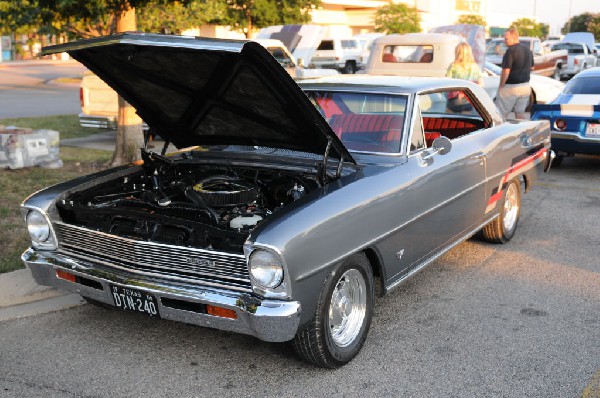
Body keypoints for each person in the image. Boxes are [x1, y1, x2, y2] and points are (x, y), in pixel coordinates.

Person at [495, 27, 534, 119]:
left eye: (506, 39)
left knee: (501, 113)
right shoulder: (528, 50)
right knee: (520, 113)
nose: (505, 41)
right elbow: (532, 67)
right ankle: (522, 132)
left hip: (511, 87)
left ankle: (501, 132)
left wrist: (501, 85)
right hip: (525, 86)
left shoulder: (510, 51)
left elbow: (506, 71)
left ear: (514, 37)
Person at [445, 42, 483, 113]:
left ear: (457, 52)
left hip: (454, 98)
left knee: (450, 121)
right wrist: (466, 93)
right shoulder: (474, 66)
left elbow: (447, 83)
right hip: (469, 98)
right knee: (465, 122)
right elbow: (480, 83)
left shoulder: (453, 66)